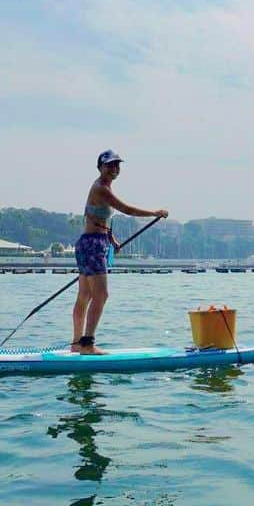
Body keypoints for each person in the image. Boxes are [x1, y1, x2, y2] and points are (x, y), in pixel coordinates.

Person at [73, 150, 168, 354]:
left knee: (85, 295)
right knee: (101, 295)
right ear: (100, 167)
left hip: (90, 242)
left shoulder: (101, 188)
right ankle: (87, 344)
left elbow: (94, 216)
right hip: (92, 246)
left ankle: (76, 344)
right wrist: (155, 213)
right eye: (109, 165)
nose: (114, 169)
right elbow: (127, 210)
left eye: (117, 165)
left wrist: (110, 238)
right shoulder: (101, 188)